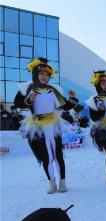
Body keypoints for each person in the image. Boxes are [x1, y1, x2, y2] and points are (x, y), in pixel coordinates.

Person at [13, 58, 77, 194]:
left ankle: (62, 182)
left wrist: (72, 100)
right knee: (46, 157)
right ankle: (52, 183)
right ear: (35, 74)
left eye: (47, 74)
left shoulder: (53, 89)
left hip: (53, 125)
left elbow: (64, 106)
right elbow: (17, 102)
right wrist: (29, 100)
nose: (44, 76)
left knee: (58, 155)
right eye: (41, 73)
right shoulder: (28, 88)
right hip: (37, 125)